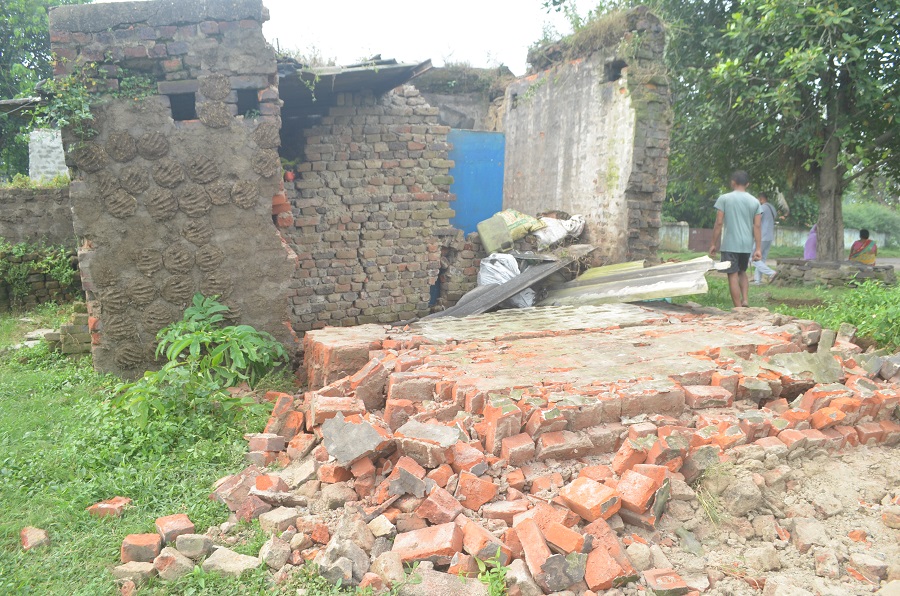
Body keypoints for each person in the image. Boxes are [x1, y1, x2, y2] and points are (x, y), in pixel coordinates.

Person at [709, 170, 763, 308]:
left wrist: (713, 244)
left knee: (732, 273)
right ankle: (745, 300)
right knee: (742, 271)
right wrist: (758, 248)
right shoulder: (755, 202)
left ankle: (738, 307)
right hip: (746, 245)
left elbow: (719, 223)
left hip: (730, 244)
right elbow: (757, 226)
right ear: (747, 184)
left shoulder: (724, 199)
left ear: (733, 182)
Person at [752, 192, 777, 284]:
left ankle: (771, 273)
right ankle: (757, 281)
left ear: (761, 199)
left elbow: (756, 221)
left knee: (753, 258)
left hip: (761, 236)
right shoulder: (772, 208)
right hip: (769, 236)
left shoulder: (762, 207)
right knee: (761, 259)